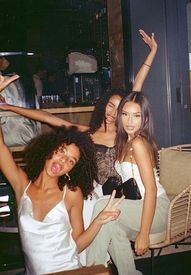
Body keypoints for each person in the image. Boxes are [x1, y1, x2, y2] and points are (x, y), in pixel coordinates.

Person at [0, 29, 157, 263]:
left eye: (119, 108)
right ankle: (81, 263)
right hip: (94, 191)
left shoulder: (126, 134)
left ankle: (92, 263)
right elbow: (49, 119)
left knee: (90, 209)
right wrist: (10, 108)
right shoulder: (89, 134)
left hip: (117, 193)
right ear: (103, 105)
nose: (114, 113)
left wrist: (152, 52)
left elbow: (138, 87)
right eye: (110, 106)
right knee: (81, 206)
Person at [0, 125, 124, 275]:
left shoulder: (71, 193)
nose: (64, 161)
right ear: (50, 148)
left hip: (67, 270)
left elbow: (77, 245)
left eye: (71, 161)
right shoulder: (22, 186)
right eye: (62, 151)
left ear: (72, 169)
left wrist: (99, 220)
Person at [86, 92, 170, 275]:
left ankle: (92, 270)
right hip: (137, 204)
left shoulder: (138, 143)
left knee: (103, 207)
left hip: (156, 207)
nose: (129, 121)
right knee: (111, 224)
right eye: (125, 114)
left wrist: (144, 233)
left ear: (145, 118)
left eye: (136, 115)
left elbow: (151, 189)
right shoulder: (125, 141)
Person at [0, 56, 41, 147]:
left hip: (15, 133)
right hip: (32, 131)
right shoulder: (26, 79)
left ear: (7, 61)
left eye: (1, 58)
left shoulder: (5, 81)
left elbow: (3, 115)